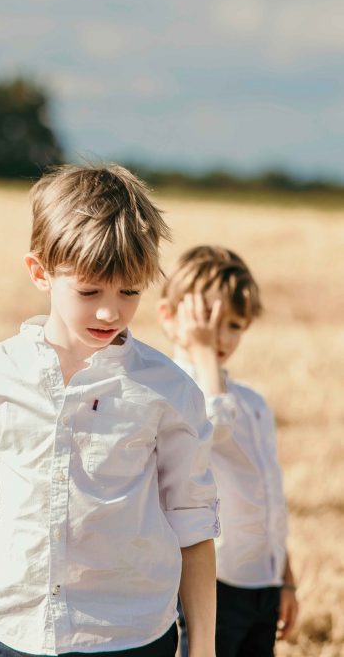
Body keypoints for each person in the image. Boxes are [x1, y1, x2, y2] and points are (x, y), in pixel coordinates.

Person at [0, 164, 219, 657]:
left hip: (130, 635)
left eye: (130, 291)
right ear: (40, 272)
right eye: (90, 291)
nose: (110, 312)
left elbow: (192, 522)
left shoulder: (168, 393)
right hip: (14, 633)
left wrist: (202, 645)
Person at [158, 245, 298, 657]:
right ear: (168, 316)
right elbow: (211, 430)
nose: (220, 336)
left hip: (262, 584)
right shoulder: (170, 393)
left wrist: (284, 578)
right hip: (211, 584)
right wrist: (202, 356)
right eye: (208, 320)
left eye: (233, 325)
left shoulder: (252, 404)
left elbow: (269, 498)